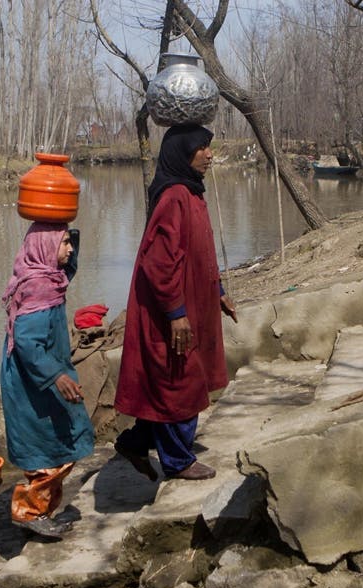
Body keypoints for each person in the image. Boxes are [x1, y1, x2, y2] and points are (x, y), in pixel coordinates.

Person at [113, 124, 238, 482]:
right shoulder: (172, 198)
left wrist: (218, 292)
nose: (209, 154)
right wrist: (176, 313)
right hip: (169, 312)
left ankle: (136, 442)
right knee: (178, 381)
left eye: (209, 148)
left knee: (180, 377)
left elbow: (198, 255)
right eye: (202, 148)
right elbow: (159, 263)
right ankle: (178, 460)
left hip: (191, 305)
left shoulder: (192, 194)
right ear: (181, 153)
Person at [0, 224, 95, 540]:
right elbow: (27, 342)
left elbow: (70, 265)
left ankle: (41, 513)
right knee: (49, 448)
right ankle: (28, 511)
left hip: (39, 375)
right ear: (44, 247)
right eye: (64, 242)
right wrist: (57, 376)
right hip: (34, 380)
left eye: (70, 242)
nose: (70, 249)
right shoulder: (39, 287)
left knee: (59, 441)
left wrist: (68, 227)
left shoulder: (50, 279)